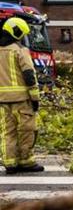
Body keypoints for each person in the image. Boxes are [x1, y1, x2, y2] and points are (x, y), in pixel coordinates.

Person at [0, 17, 43, 174]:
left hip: (2, 101)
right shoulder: (20, 51)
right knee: (26, 130)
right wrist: (35, 98)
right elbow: (29, 75)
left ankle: (10, 163)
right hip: (22, 100)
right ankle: (26, 161)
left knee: (7, 132)